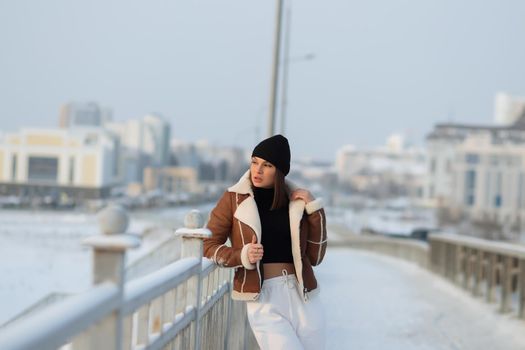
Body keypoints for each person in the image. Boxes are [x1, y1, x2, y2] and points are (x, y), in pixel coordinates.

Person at [203, 134, 327, 350]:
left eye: (267, 165)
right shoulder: (234, 198)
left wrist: (314, 208)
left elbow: (316, 257)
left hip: (303, 294)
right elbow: (207, 245)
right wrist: (242, 255)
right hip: (264, 297)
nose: (257, 170)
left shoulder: (295, 201)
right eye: (254, 162)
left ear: (279, 171)